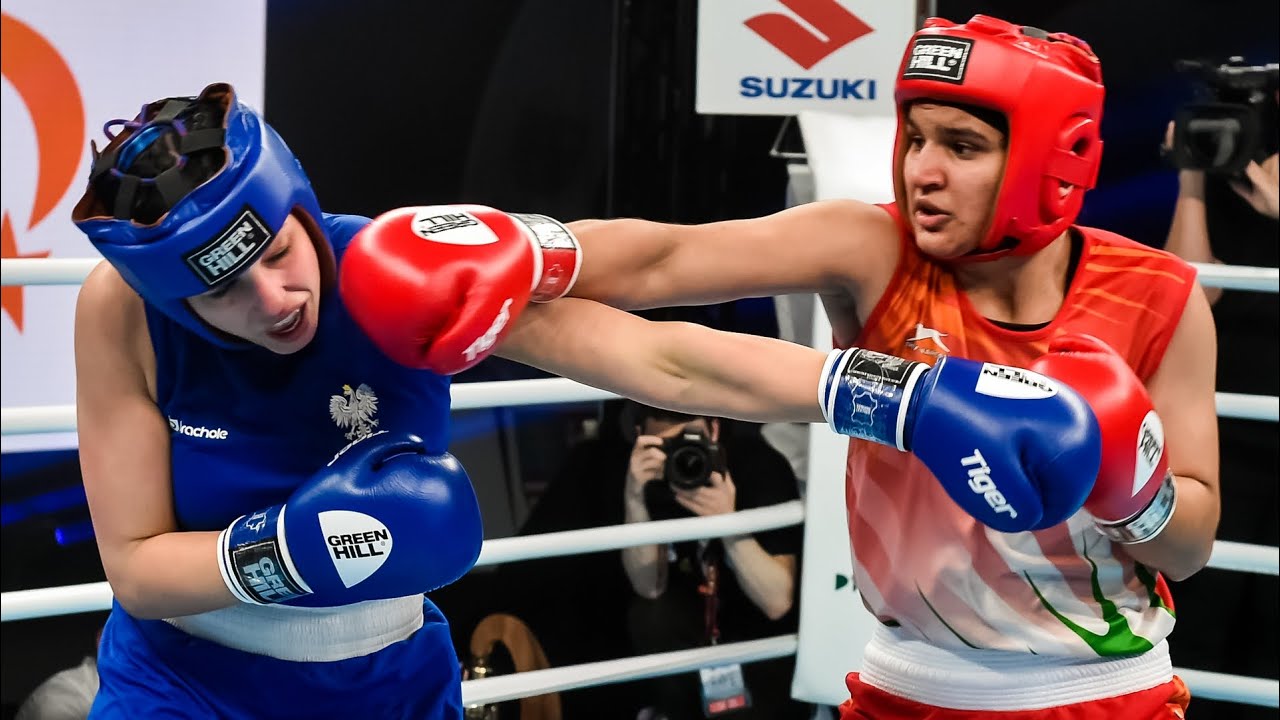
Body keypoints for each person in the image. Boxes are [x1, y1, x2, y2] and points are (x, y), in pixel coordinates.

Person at [71, 81, 1115, 717]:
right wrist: (294, 549)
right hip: (190, 682)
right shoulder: (118, 314)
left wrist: (906, 397)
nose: (274, 297)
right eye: (223, 290)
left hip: (385, 678)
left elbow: (662, 363)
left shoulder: (393, 276)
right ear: (169, 294)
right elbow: (137, 569)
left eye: (278, 253)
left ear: (296, 204)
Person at [554, 14, 1223, 719]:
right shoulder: (874, 250)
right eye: (915, 137)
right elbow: (664, 259)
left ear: (1056, 159)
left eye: (961, 146)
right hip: (903, 690)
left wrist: (1133, 491)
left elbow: (1189, 550)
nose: (920, 171)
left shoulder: (1156, 295)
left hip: (1100, 694)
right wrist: (524, 249)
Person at [1162, 115, 1278, 718]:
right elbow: (1189, 289)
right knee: (1203, 619)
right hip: (1225, 435)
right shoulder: (1235, 165)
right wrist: (1193, 174)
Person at [619, 401, 805, 719]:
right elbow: (648, 587)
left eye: (691, 442)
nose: (682, 458)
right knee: (650, 615)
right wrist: (635, 499)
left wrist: (728, 524)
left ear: (714, 428)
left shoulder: (759, 467)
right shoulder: (644, 479)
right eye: (664, 448)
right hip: (692, 641)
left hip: (760, 645)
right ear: (641, 438)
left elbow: (777, 602)